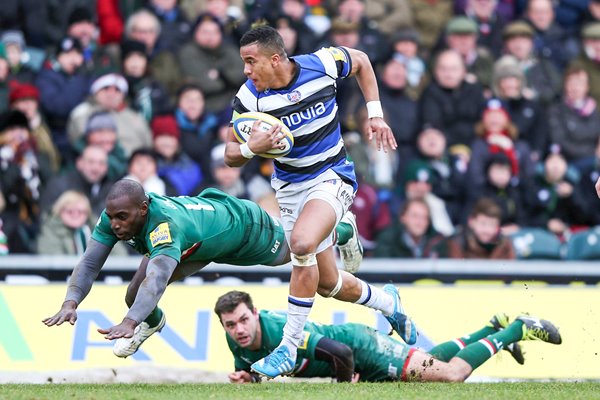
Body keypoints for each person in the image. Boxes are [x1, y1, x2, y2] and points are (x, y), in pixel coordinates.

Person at [224, 25, 406, 379]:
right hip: (291, 189)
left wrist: (375, 113)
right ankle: (387, 301)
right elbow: (230, 154)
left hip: (333, 175)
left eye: (250, 61)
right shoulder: (249, 99)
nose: (246, 70)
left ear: (275, 59)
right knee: (327, 283)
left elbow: (363, 62)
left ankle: (287, 349)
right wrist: (251, 148)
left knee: (302, 244)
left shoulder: (322, 64)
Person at [42, 178, 370, 358]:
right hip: (198, 241)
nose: (114, 225)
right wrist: (70, 302)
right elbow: (89, 262)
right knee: (133, 295)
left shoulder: (165, 228)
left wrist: (128, 322)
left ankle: (344, 229)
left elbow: (156, 281)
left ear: (143, 210)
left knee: (293, 251)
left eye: (122, 218)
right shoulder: (119, 214)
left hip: (240, 227)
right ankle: (151, 324)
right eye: (111, 217)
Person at [215, 290, 561, 383]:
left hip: (362, 348)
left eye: (243, 320)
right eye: (231, 325)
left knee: (450, 375)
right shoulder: (238, 341)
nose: (239, 330)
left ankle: (519, 327)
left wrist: (343, 386)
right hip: (358, 350)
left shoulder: (277, 330)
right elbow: (252, 370)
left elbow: (339, 352)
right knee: (434, 363)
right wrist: (249, 377)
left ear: (255, 313)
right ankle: (493, 327)